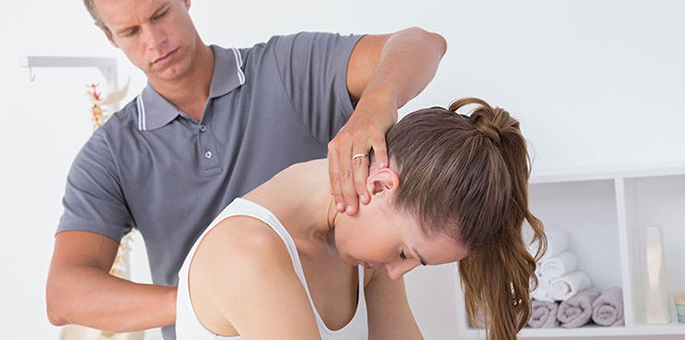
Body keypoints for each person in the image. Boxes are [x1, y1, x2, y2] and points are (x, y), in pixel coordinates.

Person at [45, 0, 447, 339]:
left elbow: (423, 43)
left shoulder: (287, 70)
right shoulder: (112, 153)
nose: (155, 42)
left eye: (160, 13)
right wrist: (204, 298)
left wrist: (379, 101)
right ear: (109, 38)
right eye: (131, 32)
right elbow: (65, 295)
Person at [175, 98, 548, 340]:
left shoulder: (363, 246)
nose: (397, 272)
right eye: (406, 253)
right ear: (382, 185)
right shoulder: (247, 252)